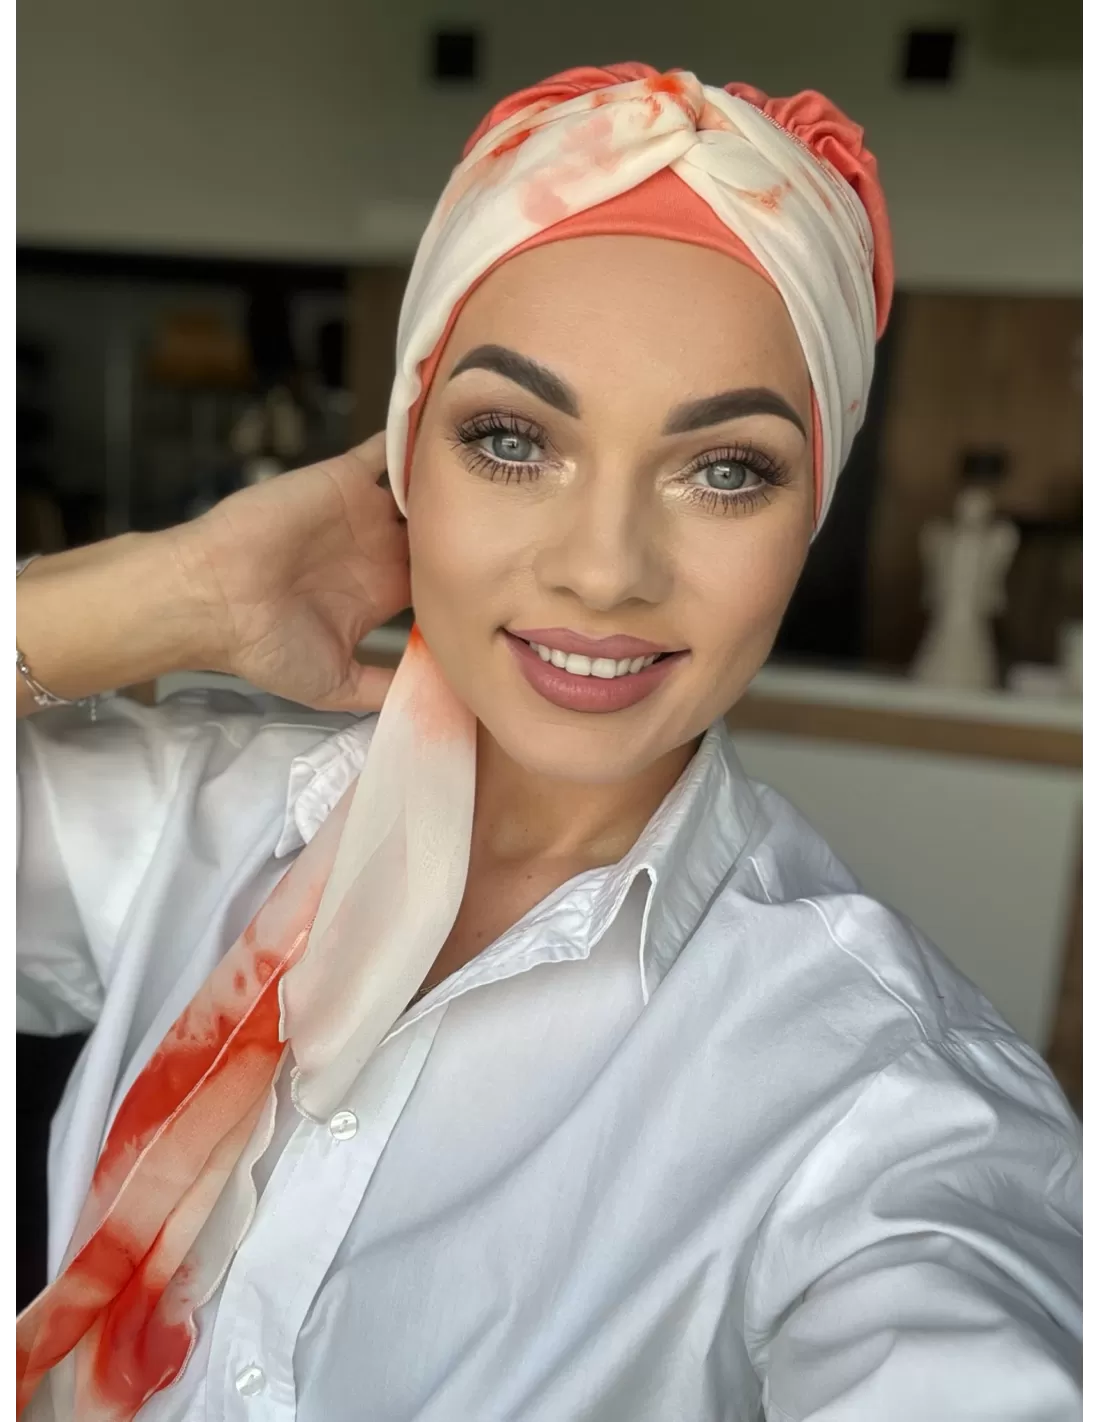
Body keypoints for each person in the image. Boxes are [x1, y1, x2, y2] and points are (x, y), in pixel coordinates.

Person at [16, 64, 1081, 1422]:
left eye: (727, 469)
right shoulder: (198, 815)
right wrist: (180, 591)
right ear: (407, 462)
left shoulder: (885, 1094)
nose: (603, 569)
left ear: (810, 515)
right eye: (511, 440)